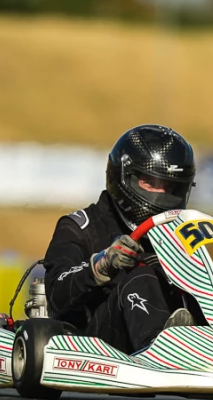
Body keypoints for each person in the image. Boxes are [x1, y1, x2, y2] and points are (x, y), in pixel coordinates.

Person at [42, 124, 199, 354]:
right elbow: (57, 295)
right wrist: (103, 264)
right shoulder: (80, 226)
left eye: (171, 187)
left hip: (180, 333)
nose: (161, 194)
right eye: (150, 182)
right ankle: (162, 349)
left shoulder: (182, 233)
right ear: (124, 177)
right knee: (142, 274)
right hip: (96, 342)